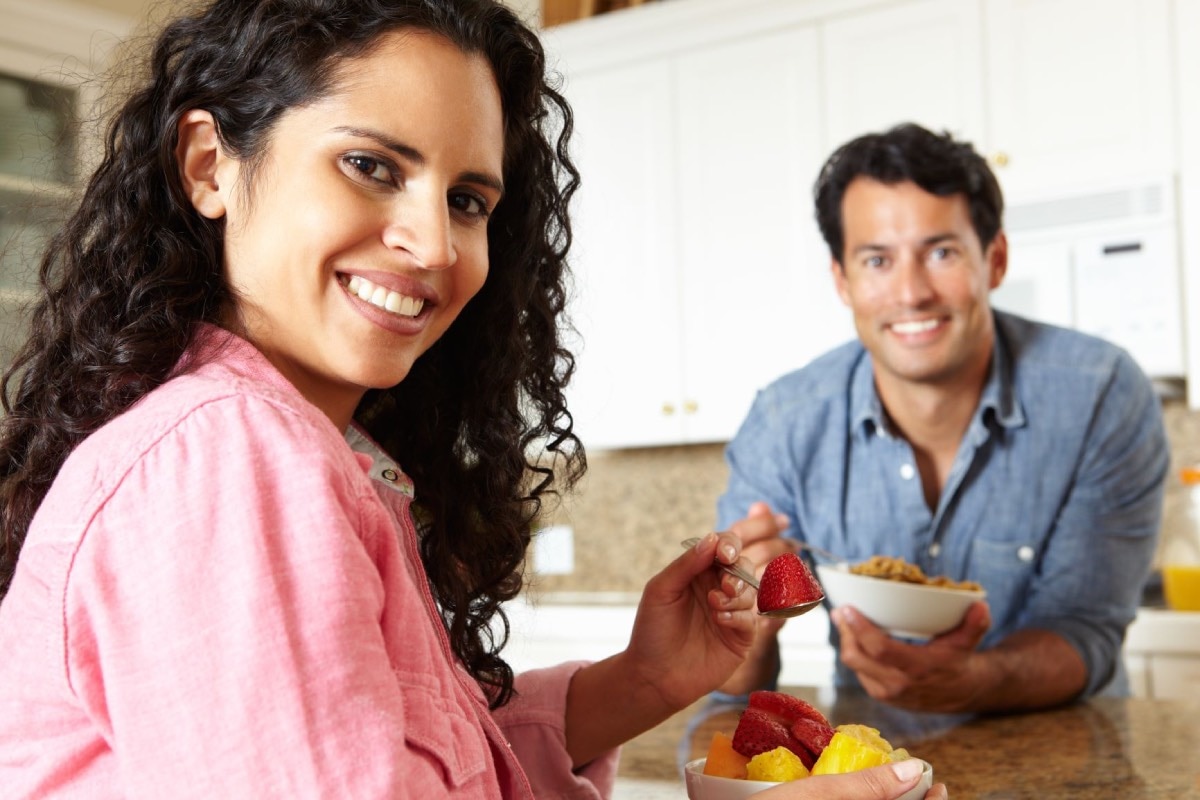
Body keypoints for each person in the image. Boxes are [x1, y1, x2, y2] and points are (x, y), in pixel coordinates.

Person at [0, 2, 945, 798]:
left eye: (468, 200)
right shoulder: (229, 457)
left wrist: (645, 678)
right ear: (211, 165)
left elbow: (436, 758)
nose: (437, 245)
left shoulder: (322, 454)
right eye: (371, 165)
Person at [715, 122, 1169, 715]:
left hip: (1065, 749)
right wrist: (747, 622)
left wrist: (976, 680)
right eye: (877, 259)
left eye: (942, 252)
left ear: (995, 259)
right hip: (872, 760)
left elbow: (1085, 630)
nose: (911, 292)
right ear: (842, 281)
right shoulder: (783, 421)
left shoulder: (1101, 395)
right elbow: (732, 683)